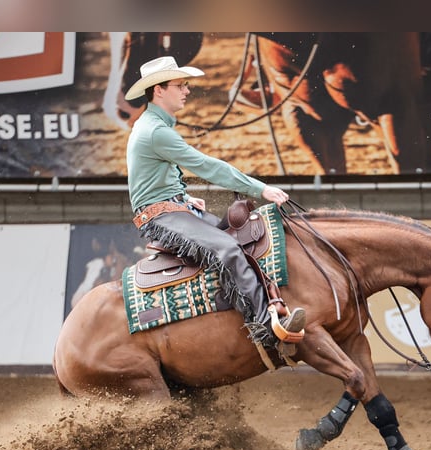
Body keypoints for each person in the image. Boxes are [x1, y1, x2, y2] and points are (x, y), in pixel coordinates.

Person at [124, 56, 305, 352]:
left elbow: (154, 176)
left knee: (240, 235)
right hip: (161, 217)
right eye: (180, 85)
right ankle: (267, 329)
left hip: (172, 209)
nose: (187, 91)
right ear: (159, 90)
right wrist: (261, 189)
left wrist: (181, 198)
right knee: (228, 249)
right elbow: (209, 167)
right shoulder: (156, 131)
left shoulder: (153, 125)